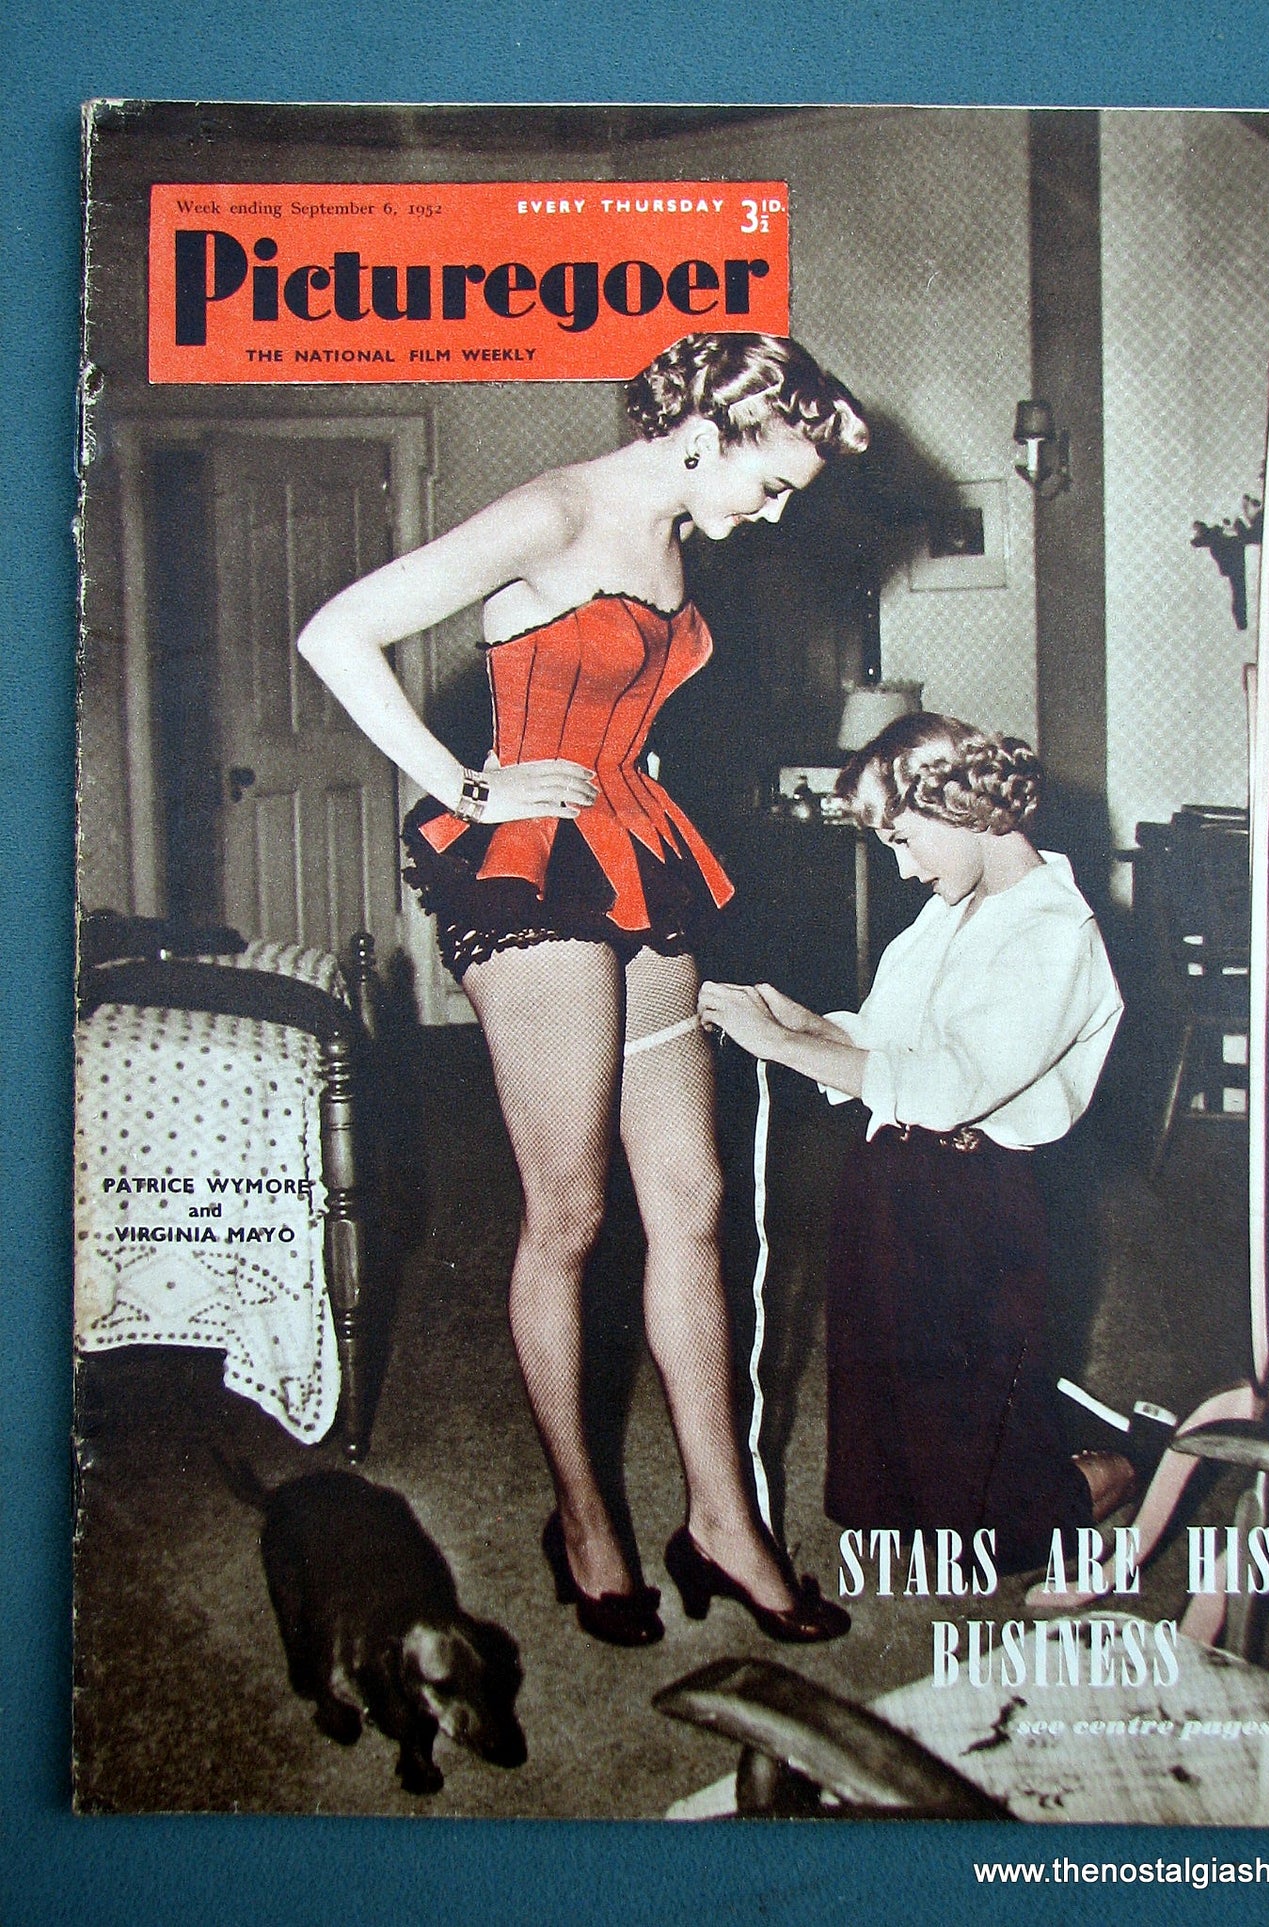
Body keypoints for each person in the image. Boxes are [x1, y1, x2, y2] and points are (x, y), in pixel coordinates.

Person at [297, 332, 865, 1643]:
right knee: (571, 1212)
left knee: (694, 1198)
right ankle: (584, 1518)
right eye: (771, 483)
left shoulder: (674, 533)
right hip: (530, 874)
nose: (774, 512)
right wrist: (466, 782)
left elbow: (623, 700)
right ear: (706, 434)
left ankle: (722, 1519)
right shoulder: (553, 511)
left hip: (635, 850)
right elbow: (338, 632)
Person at [698, 713, 1132, 1574]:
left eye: (902, 838)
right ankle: (971, 1477)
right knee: (890, 1441)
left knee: (987, 1499)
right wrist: (797, 1021)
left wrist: (785, 1045)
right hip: (890, 1178)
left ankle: (1116, 1468)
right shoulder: (947, 915)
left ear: (959, 803)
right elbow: (886, 1043)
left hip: (982, 1196)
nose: (902, 867)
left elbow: (948, 1086)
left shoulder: (1053, 930)